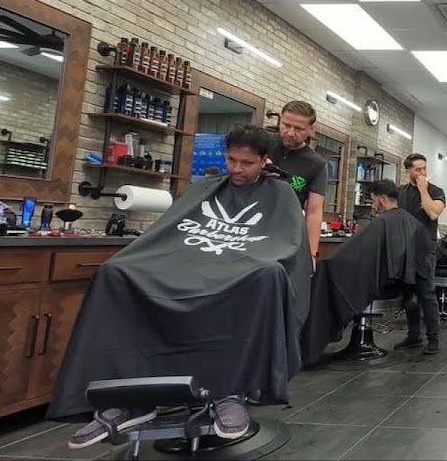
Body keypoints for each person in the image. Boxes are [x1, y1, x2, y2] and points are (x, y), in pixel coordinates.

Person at [55, 124, 311, 448]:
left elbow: (283, 243)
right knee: (114, 272)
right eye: (232, 160)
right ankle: (128, 398)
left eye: (247, 163)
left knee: (268, 274)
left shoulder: (280, 194)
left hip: (240, 269)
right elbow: (170, 233)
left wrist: (245, 261)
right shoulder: (205, 187)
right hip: (190, 265)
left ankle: (229, 393)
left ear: (264, 161)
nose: (237, 169)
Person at [300, 180, 429, 364]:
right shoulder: (410, 221)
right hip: (397, 285)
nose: (373, 205)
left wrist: (325, 265)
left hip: (378, 285)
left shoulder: (381, 223)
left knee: (326, 274)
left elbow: (349, 258)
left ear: (382, 199)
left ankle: (309, 344)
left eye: (373, 200)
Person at [396, 153, 445, 354]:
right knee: (408, 295)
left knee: (426, 294)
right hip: (404, 249)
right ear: (408, 171)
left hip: (425, 250)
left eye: (424, 168)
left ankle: (433, 338)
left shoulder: (436, 191)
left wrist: (424, 189)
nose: (422, 172)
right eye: (417, 169)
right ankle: (413, 335)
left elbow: (433, 212)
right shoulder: (400, 192)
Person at [269, 101, 328, 261]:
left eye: (299, 129)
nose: (290, 133)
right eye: (286, 125)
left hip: (284, 234)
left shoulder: (316, 164)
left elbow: (314, 211)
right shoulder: (263, 144)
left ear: (310, 129)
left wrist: (311, 254)